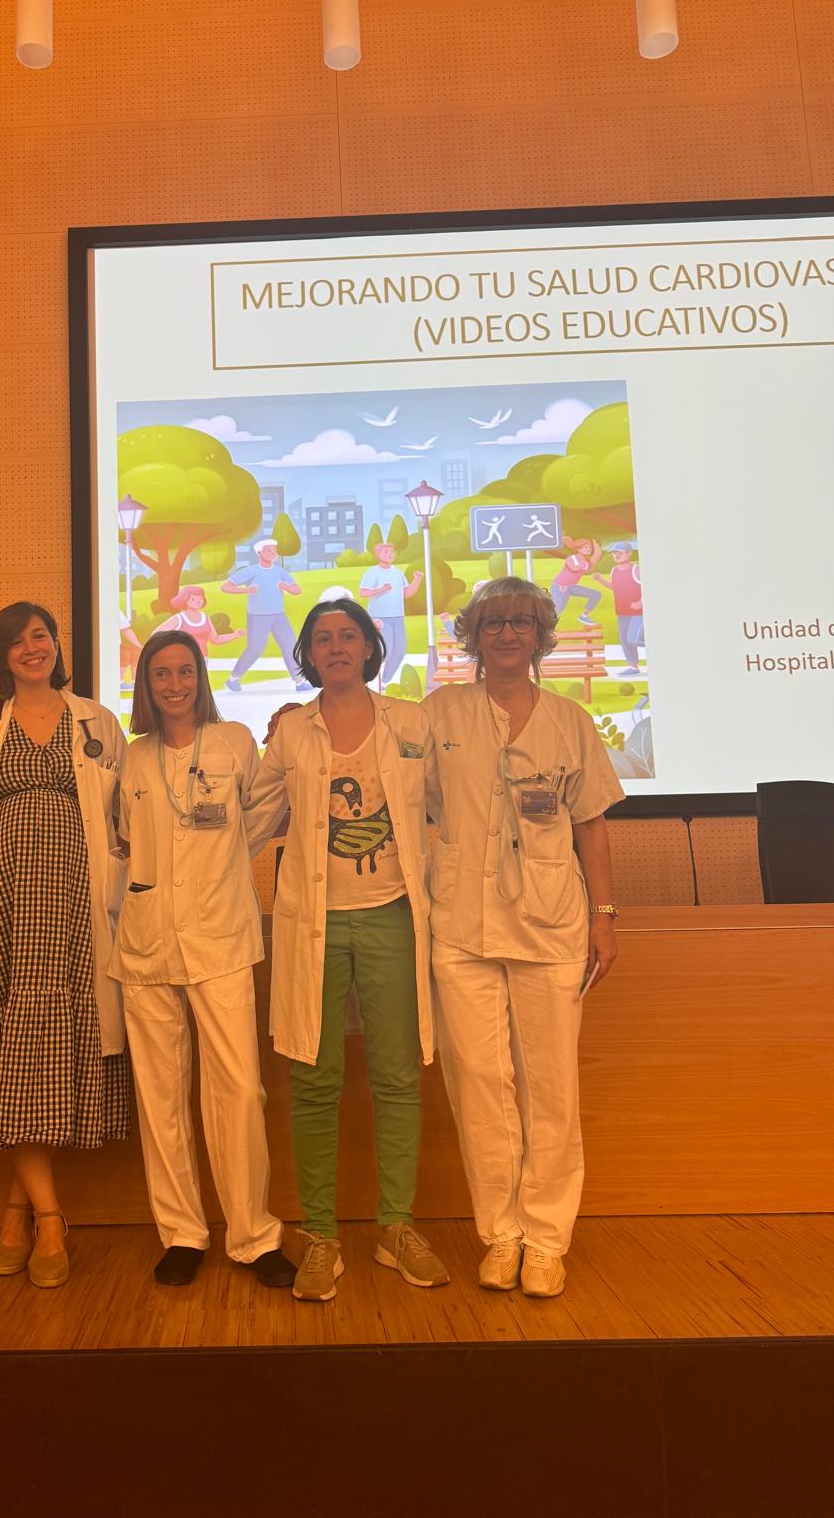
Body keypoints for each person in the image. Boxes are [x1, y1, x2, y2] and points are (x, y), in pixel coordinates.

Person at [423, 578, 623, 1299]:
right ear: (472, 637)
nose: (507, 634)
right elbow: (388, 771)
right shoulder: (440, 712)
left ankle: (545, 1239)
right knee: (479, 1085)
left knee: (551, 1087)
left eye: (521, 622)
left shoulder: (570, 721)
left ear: (541, 636)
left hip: (551, 924)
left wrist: (605, 913)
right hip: (462, 926)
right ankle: (500, 1235)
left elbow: (590, 822)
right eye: (493, 623)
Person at [245, 600, 449, 1302]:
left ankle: (396, 1227)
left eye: (348, 636)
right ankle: (321, 1235)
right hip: (314, 923)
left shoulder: (412, 722)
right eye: (322, 638)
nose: (336, 647)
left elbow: (453, 807)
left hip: (393, 916)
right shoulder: (291, 731)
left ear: (369, 647)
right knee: (313, 1079)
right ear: (307, 653)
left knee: (397, 1076)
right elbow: (253, 817)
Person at [0, 602, 130, 1288]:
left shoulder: (97, 723)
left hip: (79, 907)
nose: (33, 647)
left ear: (56, 645)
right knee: (8, 1049)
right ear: (0, 654)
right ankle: (50, 1218)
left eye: (41, 635)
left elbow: (126, 814)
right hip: (2, 910)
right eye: (18, 640)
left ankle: (17, 1210)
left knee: (51, 1051)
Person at [111, 631, 294, 1289]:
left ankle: (253, 1235)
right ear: (146, 684)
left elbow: (261, 816)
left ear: (200, 677)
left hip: (220, 935)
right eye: (161, 673)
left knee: (239, 1089)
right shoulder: (133, 757)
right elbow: (124, 838)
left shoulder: (235, 742)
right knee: (160, 1093)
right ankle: (183, 1233)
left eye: (184, 671)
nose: (174, 684)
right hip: (148, 939)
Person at [221, 538, 309, 692]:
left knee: (290, 646)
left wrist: (286, 587)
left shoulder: (280, 571)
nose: (273, 553)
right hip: (258, 616)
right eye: (269, 550)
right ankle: (233, 679)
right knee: (255, 649)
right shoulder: (251, 571)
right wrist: (246, 590)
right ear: (259, 553)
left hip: (279, 616)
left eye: (275, 551)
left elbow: (297, 590)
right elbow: (226, 587)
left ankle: (299, 681)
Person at [358, 541, 423, 685]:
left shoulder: (397, 572)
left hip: (398, 617)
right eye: (386, 552)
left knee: (399, 651)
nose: (390, 555)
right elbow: (362, 592)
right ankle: (367, 677)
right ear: (377, 554)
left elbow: (407, 593)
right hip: (380, 618)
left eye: (392, 552)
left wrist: (417, 579)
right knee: (386, 650)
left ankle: (385, 681)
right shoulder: (372, 572)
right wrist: (381, 589)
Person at [158, 584, 246, 661]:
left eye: (200, 598)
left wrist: (235, 635)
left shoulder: (205, 618)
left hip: (203, 659)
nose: (197, 601)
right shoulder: (179, 618)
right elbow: (157, 634)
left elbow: (215, 639)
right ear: (184, 600)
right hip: (183, 659)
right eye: (193, 599)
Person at [596, 541, 645, 674]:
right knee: (625, 640)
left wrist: (640, 602)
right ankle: (634, 667)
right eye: (614, 553)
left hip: (638, 613)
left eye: (620, 553)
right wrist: (601, 580)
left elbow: (648, 586)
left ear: (629, 554)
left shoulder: (636, 569)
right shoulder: (614, 571)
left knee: (633, 639)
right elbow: (615, 587)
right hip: (622, 612)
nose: (616, 556)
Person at [549, 536, 603, 626]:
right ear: (578, 548)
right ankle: (543, 626)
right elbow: (575, 568)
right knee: (557, 610)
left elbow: (596, 556)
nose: (589, 549)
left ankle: (584, 616)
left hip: (571, 586)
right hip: (560, 586)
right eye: (585, 547)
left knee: (596, 594)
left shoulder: (585, 562)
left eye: (590, 547)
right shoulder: (573, 558)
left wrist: (595, 543)